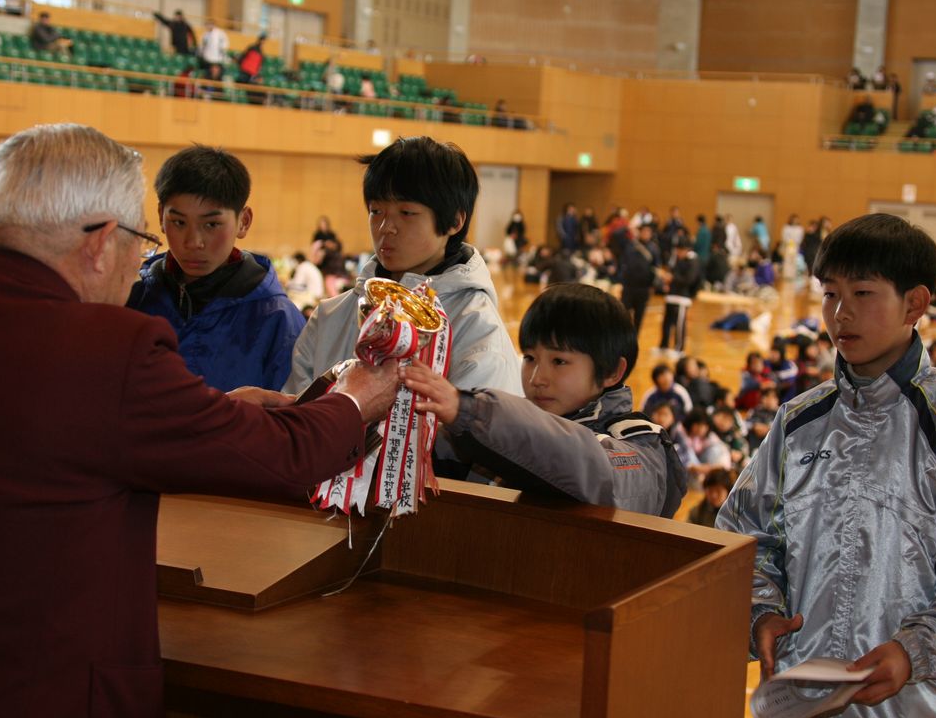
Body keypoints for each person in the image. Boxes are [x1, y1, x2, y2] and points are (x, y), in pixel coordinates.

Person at [0, 123, 399, 718]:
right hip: (40, 704)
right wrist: (356, 398)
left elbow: (52, 437)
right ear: (101, 243)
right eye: (146, 236)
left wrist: (212, 411)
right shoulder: (107, 348)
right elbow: (285, 458)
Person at [717, 213, 936, 718]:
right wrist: (761, 614)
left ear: (915, 304)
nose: (841, 314)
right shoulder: (799, 422)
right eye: (830, 294)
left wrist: (917, 651)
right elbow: (747, 540)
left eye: (862, 293)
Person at [400, 283, 686, 517]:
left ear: (612, 371)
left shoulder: (643, 445)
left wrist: (470, 411)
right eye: (530, 358)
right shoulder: (506, 429)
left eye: (559, 361)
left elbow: (585, 465)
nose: (537, 377)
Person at [284, 136, 522, 400]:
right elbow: (296, 424)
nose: (386, 227)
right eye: (376, 211)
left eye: (406, 213)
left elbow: (484, 435)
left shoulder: (479, 332)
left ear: (454, 221)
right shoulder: (329, 317)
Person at [127, 145, 303, 393]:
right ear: (160, 216)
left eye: (211, 224)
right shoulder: (134, 300)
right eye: (178, 222)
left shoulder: (278, 320)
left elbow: (290, 421)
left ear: (243, 221)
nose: (193, 242)